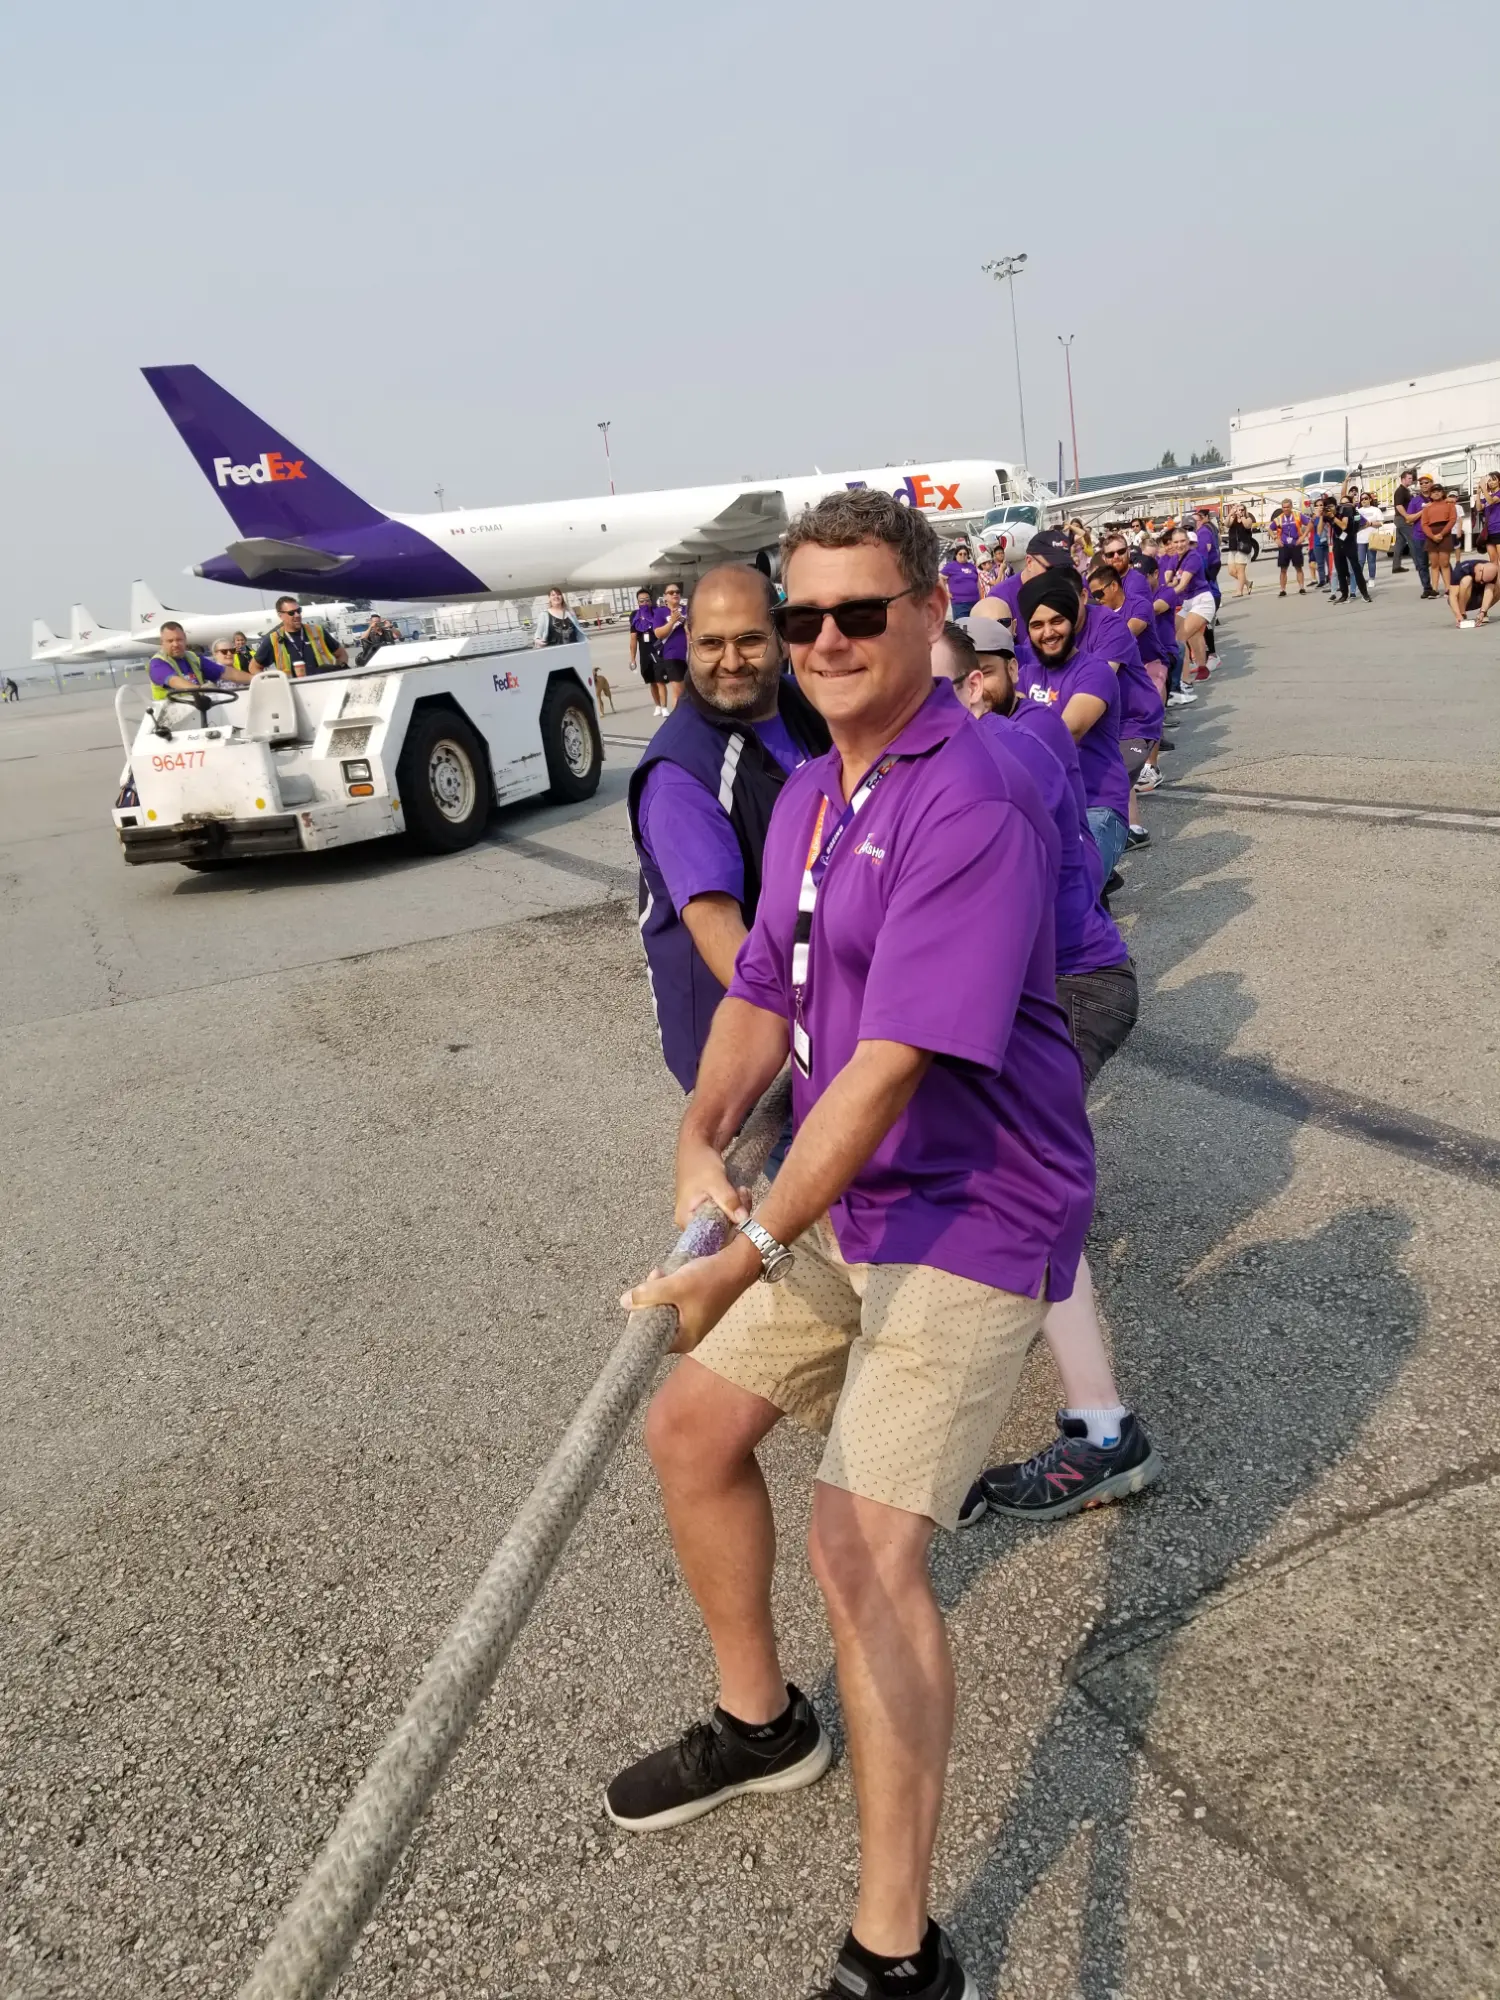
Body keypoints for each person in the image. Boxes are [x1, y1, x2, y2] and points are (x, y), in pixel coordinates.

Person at [610, 488, 1095, 2000]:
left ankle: (900, 1950)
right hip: (856, 1196)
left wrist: (745, 1239)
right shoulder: (818, 789)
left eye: (853, 613)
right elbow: (763, 987)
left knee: (862, 1547)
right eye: (798, 617)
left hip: (975, 1206)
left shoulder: (976, 791)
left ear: (930, 613)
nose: (818, 641)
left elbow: (887, 1064)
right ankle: (765, 1727)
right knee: (690, 1427)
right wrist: (706, 1124)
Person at [936, 620, 1160, 1523]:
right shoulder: (989, 748)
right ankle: (1094, 1425)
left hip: (1070, 985)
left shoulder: (992, 762)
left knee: (1014, 1191)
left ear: (973, 686)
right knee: (1021, 1191)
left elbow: (991, 922)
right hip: (1064, 979)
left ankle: (1101, 1433)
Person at [626, 564, 830, 1092]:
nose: (731, 661)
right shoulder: (681, 774)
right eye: (711, 643)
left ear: (781, 637)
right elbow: (719, 928)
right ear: (688, 641)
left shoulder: (806, 706)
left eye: (749, 640)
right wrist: (823, 1023)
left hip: (815, 992)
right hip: (743, 1032)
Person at [1013, 567, 1131, 881]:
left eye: (1056, 621)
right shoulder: (1024, 674)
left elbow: (1066, 733)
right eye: (1037, 625)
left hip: (1097, 806)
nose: (1048, 633)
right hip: (1046, 807)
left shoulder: (1094, 673)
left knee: (1069, 888)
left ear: (1072, 621)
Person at [1086, 562, 1166, 832]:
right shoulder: (1095, 622)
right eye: (1091, 595)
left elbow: (1127, 633)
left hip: (1147, 675)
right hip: (1118, 707)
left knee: (1114, 770)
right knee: (1113, 768)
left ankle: (1152, 766)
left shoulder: (1136, 606)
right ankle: (1132, 829)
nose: (1095, 600)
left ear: (1113, 587)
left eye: (1098, 594)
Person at [148, 621, 253, 704]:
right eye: (170, 641)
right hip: (170, 716)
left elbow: (225, 672)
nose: (175, 644)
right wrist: (202, 690)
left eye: (179, 640)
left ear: (185, 639)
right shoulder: (157, 663)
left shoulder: (194, 658)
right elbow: (174, 681)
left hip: (198, 708)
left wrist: (256, 679)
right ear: (162, 643)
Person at [1162, 524, 1214, 679]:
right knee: (1191, 634)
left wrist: (1165, 596)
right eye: (1176, 542)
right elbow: (1167, 579)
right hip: (1187, 602)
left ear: (1187, 541)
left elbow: (1181, 584)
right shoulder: (1174, 559)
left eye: (1182, 541)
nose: (1179, 545)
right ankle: (1202, 669)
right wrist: (1170, 586)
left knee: (1180, 639)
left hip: (1202, 600)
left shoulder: (1193, 557)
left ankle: (1184, 681)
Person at [253, 597, 347, 676]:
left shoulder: (317, 631)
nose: (297, 615)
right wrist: (270, 683)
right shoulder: (273, 640)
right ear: (280, 615)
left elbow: (341, 654)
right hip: (295, 693)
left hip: (326, 687)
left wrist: (340, 671)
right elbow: (254, 667)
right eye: (291, 613)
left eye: (299, 611)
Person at [629, 586, 669, 715]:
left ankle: (664, 707)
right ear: (638, 602)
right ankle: (657, 705)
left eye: (647, 600)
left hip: (658, 650)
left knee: (660, 681)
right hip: (645, 652)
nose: (644, 603)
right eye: (641, 601)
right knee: (651, 681)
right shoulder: (635, 616)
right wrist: (632, 659)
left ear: (651, 601)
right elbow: (633, 639)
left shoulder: (657, 612)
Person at [1330, 484, 1371, 603]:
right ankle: (1344, 594)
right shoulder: (1337, 513)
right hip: (1338, 544)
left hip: (1350, 544)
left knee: (1356, 569)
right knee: (1340, 570)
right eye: (1341, 503)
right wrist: (1345, 482)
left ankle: (1365, 593)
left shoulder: (1355, 513)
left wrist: (1355, 531)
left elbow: (1366, 523)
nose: (1343, 505)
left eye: (1346, 503)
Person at [653, 580, 690, 709]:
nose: (675, 594)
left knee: (691, 692)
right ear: (665, 597)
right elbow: (658, 634)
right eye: (671, 592)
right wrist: (672, 621)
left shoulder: (687, 610)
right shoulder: (660, 612)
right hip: (673, 656)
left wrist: (685, 623)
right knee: (679, 693)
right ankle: (677, 721)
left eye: (677, 592)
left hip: (690, 655)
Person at [1419, 484, 1458, 597]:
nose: (1436, 493)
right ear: (1430, 494)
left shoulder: (1449, 505)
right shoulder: (1427, 508)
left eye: (1439, 491)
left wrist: (1442, 533)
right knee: (1434, 564)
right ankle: (1435, 589)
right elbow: (1424, 524)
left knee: (1445, 563)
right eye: (1434, 491)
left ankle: (1448, 588)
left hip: (1444, 534)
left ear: (1442, 492)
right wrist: (1432, 536)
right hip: (1431, 535)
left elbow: (1452, 520)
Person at [1447, 553, 1497, 628]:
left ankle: (1483, 613)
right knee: (1466, 580)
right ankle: (1462, 613)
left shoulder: (1490, 571)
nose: (1481, 583)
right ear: (1480, 570)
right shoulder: (1461, 569)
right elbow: (1452, 596)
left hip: (1479, 597)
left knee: (1498, 584)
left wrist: (1482, 612)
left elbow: (1488, 592)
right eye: (1482, 581)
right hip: (1462, 600)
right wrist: (1458, 615)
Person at [939, 538, 981, 619]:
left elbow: (977, 581)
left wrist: (980, 595)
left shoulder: (972, 567)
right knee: (962, 627)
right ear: (956, 555)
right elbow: (940, 577)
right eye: (960, 554)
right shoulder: (951, 566)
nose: (963, 556)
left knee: (974, 625)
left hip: (975, 601)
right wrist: (946, 592)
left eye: (965, 554)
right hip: (960, 603)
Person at [1272, 498, 1306, 596]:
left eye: (1287, 507)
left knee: (1298, 567)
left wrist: (1303, 536)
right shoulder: (1279, 518)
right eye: (1284, 507)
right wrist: (1275, 539)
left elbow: (1309, 524)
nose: (1286, 509)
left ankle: (1302, 587)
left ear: (1291, 507)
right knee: (1283, 569)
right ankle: (1283, 590)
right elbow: (1269, 528)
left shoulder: (1297, 515)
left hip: (1295, 544)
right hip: (1284, 546)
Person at [1481, 472, 1500, 571]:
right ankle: (1497, 585)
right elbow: (1479, 507)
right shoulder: (1487, 497)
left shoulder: (1498, 494)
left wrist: (1484, 489)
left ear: (1499, 481)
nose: (1491, 482)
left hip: (1499, 529)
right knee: (1493, 560)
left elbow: (1491, 501)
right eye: (1489, 481)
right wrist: (1478, 492)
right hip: (1489, 531)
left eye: (1494, 479)